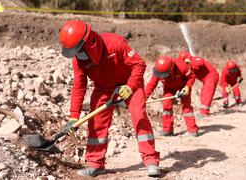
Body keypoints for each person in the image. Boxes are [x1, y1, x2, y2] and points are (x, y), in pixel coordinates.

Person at [59, 20, 160, 177]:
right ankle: (96, 164)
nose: (77, 56)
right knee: (96, 122)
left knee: (139, 116)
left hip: (129, 83)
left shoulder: (116, 43)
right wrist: (73, 117)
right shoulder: (78, 60)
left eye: (78, 51)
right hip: (103, 87)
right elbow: (79, 87)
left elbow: (139, 64)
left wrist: (130, 86)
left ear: (90, 43)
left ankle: (151, 161)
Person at [145, 56, 199, 137]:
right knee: (166, 106)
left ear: (171, 69)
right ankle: (168, 130)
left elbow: (192, 77)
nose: (162, 76)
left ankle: (192, 130)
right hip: (169, 88)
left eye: (164, 75)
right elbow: (151, 84)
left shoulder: (182, 66)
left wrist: (187, 87)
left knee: (186, 107)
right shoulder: (158, 71)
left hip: (183, 87)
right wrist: (144, 97)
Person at [179, 52, 219, 118]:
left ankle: (204, 113)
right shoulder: (188, 67)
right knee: (202, 94)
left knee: (207, 92)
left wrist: (190, 62)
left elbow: (201, 63)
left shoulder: (195, 59)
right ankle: (204, 110)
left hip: (211, 75)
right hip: (205, 79)